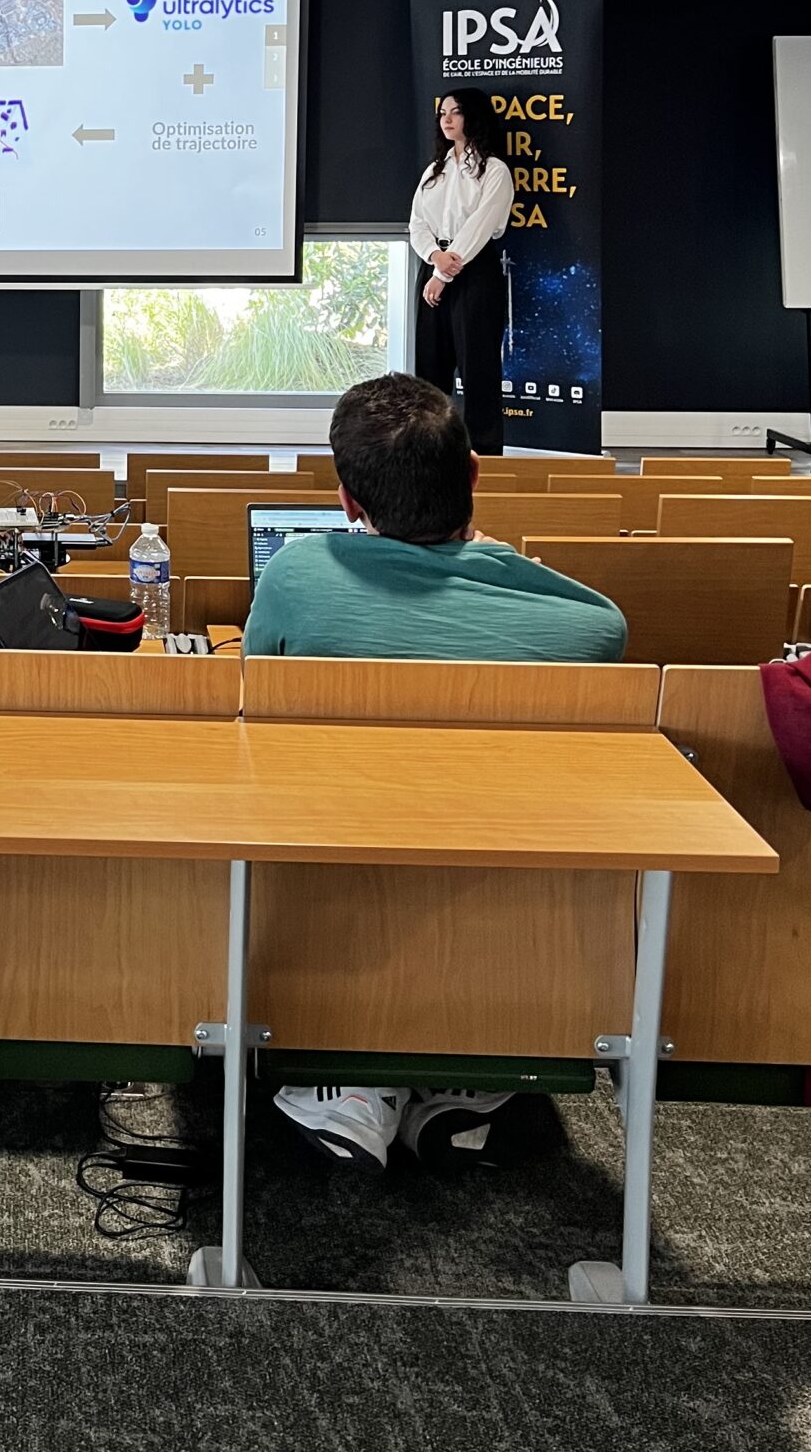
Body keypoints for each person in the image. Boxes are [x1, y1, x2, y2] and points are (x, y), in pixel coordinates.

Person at [244, 372, 625, 1173]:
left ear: (349, 499)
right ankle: (464, 1079)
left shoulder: (296, 577)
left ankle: (354, 1081)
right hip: (513, 935)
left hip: (330, 906)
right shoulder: (592, 629)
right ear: (476, 473)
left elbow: (255, 718)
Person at [410, 86, 513, 456]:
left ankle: (483, 453)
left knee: (478, 365)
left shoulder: (494, 170)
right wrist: (433, 259)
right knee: (430, 364)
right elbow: (417, 223)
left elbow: (481, 227)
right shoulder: (433, 171)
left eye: (455, 112)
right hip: (435, 265)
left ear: (474, 116)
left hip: (474, 269)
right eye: (442, 113)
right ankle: (429, 449)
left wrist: (445, 272)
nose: (447, 119)